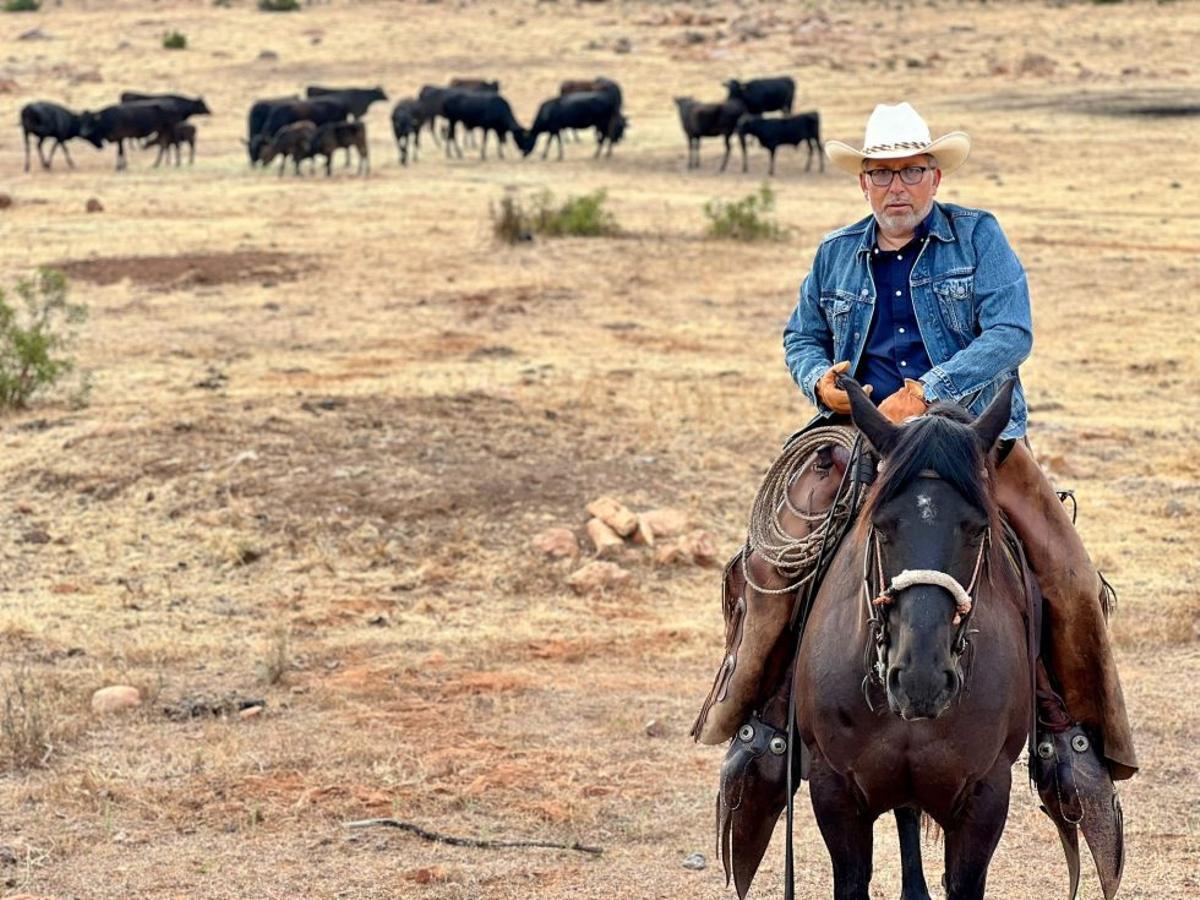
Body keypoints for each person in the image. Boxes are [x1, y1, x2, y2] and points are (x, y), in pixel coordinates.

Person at [693, 101, 1135, 878]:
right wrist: (823, 382)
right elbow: (801, 336)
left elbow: (1010, 333)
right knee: (770, 563)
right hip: (860, 439)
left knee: (1066, 572)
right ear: (865, 182)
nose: (896, 185)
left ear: (933, 175)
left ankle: (1072, 738)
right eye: (882, 173)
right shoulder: (836, 255)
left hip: (976, 439)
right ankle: (761, 725)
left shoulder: (979, 237)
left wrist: (928, 392)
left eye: (910, 170)